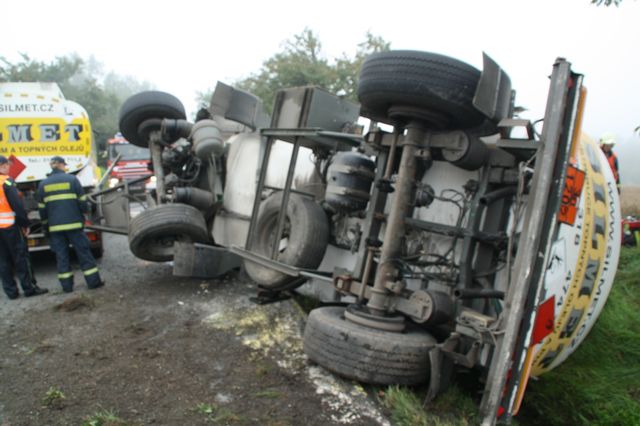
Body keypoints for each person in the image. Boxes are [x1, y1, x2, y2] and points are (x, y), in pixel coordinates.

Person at [37, 156, 104, 293]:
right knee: (84, 253)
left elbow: (42, 210)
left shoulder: (43, 184)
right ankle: (93, 283)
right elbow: (82, 202)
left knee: (61, 256)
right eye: (64, 165)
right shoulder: (72, 180)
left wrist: (45, 227)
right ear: (61, 165)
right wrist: (84, 213)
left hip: (55, 228)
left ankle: (67, 287)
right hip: (74, 225)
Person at [0, 155, 48, 300]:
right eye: (7, 165)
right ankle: (29, 288)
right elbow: (17, 206)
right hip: (10, 226)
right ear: (2, 166)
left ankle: (11, 292)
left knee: (3, 261)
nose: (9, 168)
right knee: (21, 257)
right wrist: (25, 224)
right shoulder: (7, 183)